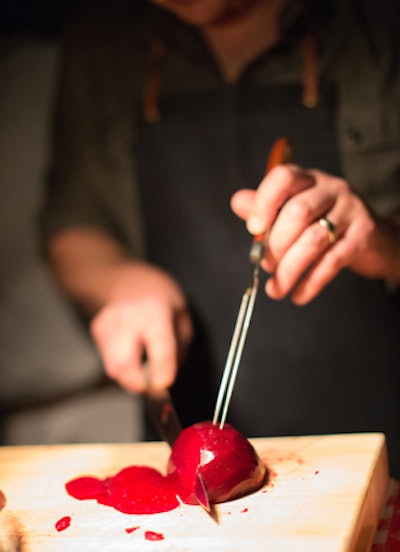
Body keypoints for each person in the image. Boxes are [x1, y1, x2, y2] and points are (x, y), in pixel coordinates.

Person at [41, 0, 400, 474]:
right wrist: (120, 281)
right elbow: (75, 223)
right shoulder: (103, 35)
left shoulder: (377, 23)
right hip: (188, 451)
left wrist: (385, 245)